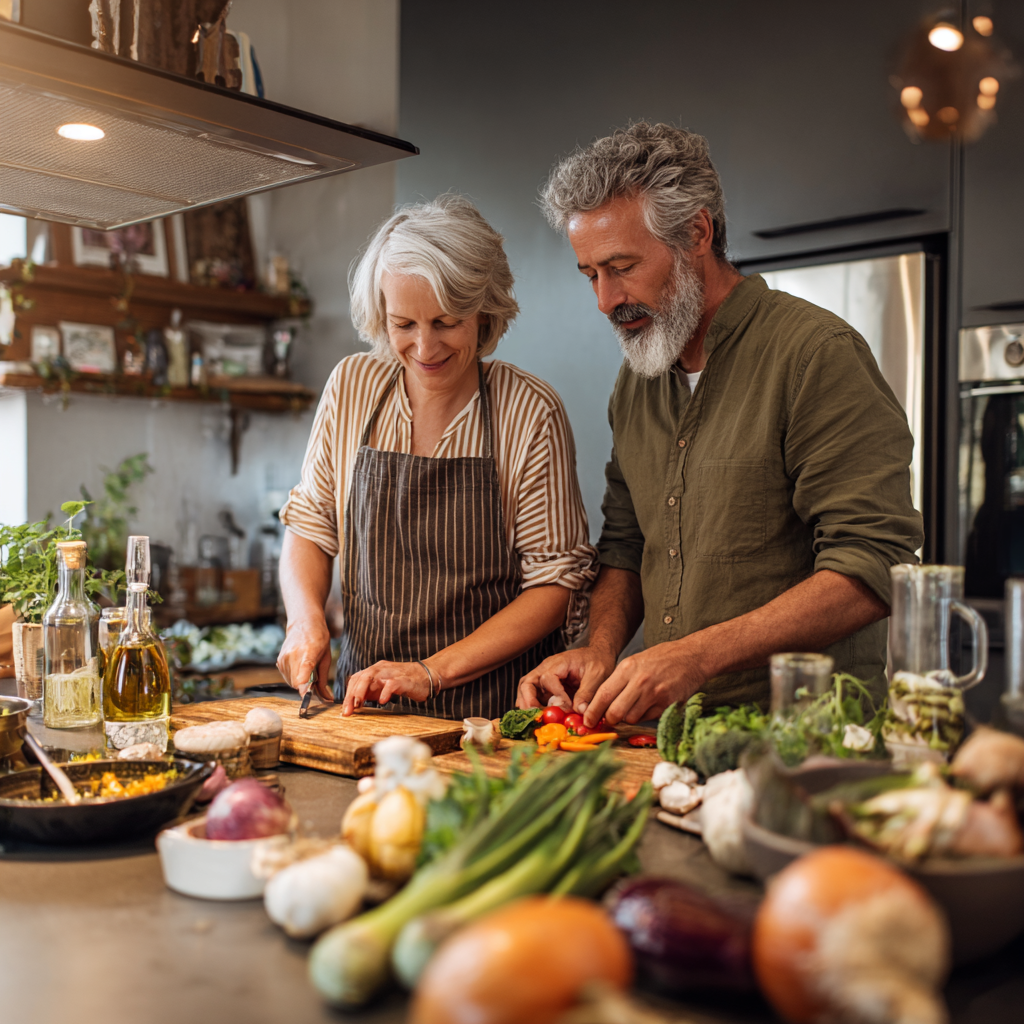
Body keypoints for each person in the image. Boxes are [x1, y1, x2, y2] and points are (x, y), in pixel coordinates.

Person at [519, 122, 923, 726]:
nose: (605, 300)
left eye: (622, 266)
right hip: (670, 736)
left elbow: (872, 561)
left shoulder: (815, 354)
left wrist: (698, 656)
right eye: (590, 275)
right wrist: (600, 649)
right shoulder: (638, 380)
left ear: (696, 233)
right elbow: (627, 547)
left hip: (806, 737)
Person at [277, 195, 597, 719]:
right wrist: (304, 619)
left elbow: (555, 585)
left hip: (490, 721)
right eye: (404, 324)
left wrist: (431, 672)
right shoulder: (354, 385)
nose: (425, 348)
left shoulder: (529, 411)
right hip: (367, 710)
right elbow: (310, 525)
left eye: (446, 322)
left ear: (484, 311)